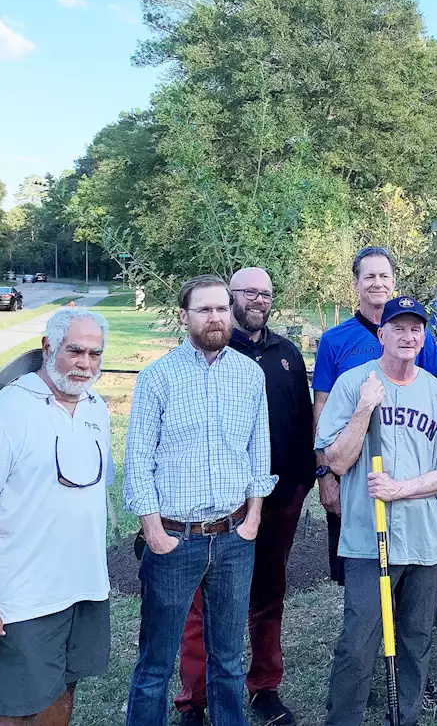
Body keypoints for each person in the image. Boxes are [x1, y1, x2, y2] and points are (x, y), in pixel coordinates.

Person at [0, 308, 112, 725]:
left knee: (65, 687)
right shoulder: (6, 412)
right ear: (47, 347)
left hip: (85, 586)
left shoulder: (96, 409)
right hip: (25, 596)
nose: (85, 363)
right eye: (75, 351)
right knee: (19, 704)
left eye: (95, 354)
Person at [124, 275, 276, 726]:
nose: (216, 318)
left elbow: (258, 451)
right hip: (175, 538)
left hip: (233, 538)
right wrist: (154, 531)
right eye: (205, 310)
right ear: (184, 316)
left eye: (222, 309)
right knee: (156, 663)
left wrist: (252, 520)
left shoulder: (250, 375)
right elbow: (137, 461)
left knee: (228, 659)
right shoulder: (158, 378)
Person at [311, 247, 437, 709]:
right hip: (366, 537)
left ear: (423, 337)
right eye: (398, 328)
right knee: (358, 642)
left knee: (416, 638)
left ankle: (407, 715)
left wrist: (401, 489)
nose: (407, 336)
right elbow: (335, 459)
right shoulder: (354, 382)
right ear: (382, 332)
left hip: (426, 540)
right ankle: (345, 720)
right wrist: (363, 409)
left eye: (415, 329)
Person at [174, 268, 314, 726]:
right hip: (220, 502)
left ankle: (264, 687)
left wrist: (299, 485)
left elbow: (300, 423)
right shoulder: (211, 351)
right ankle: (194, 698)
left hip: (278, 498)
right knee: (203, 600)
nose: (258, 299)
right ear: (230, 298)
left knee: (268, 593)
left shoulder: (287, 354)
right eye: (248, 291)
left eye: (266, 293)